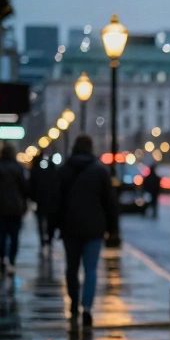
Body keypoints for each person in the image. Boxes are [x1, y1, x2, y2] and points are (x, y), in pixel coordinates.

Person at [57, 135, 117, 326]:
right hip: (94, 228)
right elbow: (110, 202)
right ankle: (87, 308)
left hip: (70, 227)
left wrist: (53, 227)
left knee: (71, 268)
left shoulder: (65, 170)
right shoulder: (100, 171)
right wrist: (112, 229)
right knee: (91, 269)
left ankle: (74, 303)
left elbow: (56, 201)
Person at [0, 144, 30, 275]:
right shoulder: (19, 168)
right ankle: (12, 260)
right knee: (14, 236)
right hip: (16, 208)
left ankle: (2, 258)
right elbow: (25, 188)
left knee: (2, 235)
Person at [29, 156, 61, 251]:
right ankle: (49, 238)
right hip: (50, 202)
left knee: (41, 221)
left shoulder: (37, 172)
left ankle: (43, 239)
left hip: (41, 201)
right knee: (50, 221)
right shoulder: (54, 173)